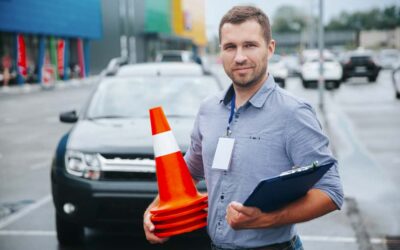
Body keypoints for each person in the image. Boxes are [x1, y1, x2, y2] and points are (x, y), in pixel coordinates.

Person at [144, 6, 343, 250]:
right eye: (230, 47)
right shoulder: (208, 109)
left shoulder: (293, 113)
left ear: (270, 48)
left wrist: (267, 219)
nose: (239, 57)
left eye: (249, 45)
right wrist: (155, 211)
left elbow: (331, 191)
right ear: (221, 52)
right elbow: (188, 174)